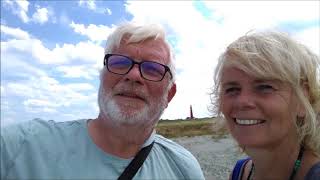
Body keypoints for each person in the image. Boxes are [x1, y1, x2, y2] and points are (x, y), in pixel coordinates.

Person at [1, 22, 205, 180]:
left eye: (153, 69)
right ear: (101, 78)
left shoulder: (184, 169)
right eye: (119, 63)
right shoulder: (19, 147)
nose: (133, 75)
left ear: (169, 94)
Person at [210, 31, 320, 180]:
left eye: (264, 87)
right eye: (232, 89)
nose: (242, 101)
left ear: (302, 99)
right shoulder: (239, 173)